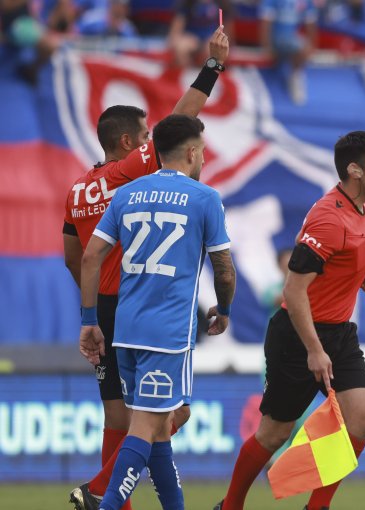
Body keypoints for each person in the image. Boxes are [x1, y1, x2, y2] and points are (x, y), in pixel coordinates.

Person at [64, 27, 230, 510]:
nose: (149, 145)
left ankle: (119, 500)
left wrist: (88, 306)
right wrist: (213, 66)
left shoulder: (79, 190)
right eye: (142, 138)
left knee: (119, 420)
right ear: (127, 143)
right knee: (165, 416)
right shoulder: (127, 176)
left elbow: (74, 254)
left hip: (104, 307)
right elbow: (179, 124)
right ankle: (99, 493)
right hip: (143, 303)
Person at [215, 131, 365, 510]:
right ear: (355, 170)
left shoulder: (358, 209)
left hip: (340, 333)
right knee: (273, 433)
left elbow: (326, 256)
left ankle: (317, 506)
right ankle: (230, 506)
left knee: (363, 419)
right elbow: (293, 292)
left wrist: (357, 274)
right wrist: (314, 350)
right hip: (299, 337)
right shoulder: (329, 217)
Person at [259, 0, 319, 105]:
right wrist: (267, 46)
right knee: (299, 45)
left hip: (292, 40)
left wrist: (311, 46)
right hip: (277, 39)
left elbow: (311, 22)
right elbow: (265, 22)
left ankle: (296, 77)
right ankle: (294, 80)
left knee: (301, 46)